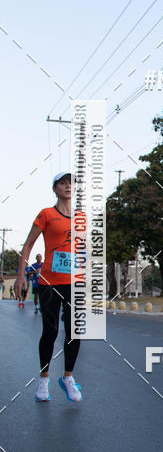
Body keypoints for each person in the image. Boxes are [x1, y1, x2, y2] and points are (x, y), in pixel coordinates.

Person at [15, 172, 82, 402]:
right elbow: (28, 245)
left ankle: (68, 377)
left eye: (71, 183)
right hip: (49, 282)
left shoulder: (81, 218)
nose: (67, 186)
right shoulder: (46, 214)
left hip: (74, 282)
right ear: (55, 189)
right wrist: (21, 275)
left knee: (75, 331)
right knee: (50, 331)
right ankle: (44, 380)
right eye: (62, 183)